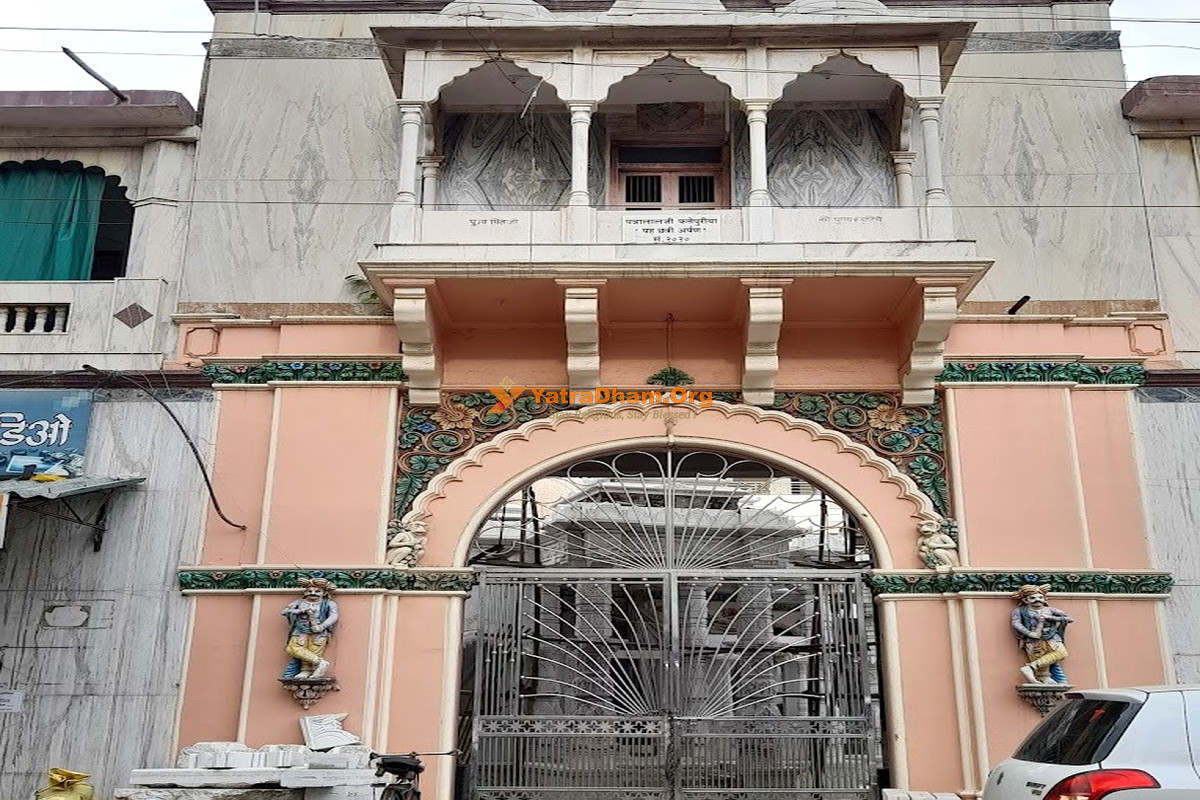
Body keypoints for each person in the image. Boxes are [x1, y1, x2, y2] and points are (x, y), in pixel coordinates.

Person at [1010, 584, 1072, 685]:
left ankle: (1030, 667)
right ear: (1026, 600)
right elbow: (1016, 623)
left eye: (1040, 597)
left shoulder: (1051, 610)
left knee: (1061, 653)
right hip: (1033, 639)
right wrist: (1029, 633)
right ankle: (1045, 679)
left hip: (1051, 636)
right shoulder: (1020, 611)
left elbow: (1069, 618)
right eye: (1032, 598)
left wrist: (1051, 618)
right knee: (1042, 668)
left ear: (1045, 599)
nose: (1037, 600)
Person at [282, 577, 339, 679]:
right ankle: (320, 663)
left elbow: (333, 616)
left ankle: (307, 671)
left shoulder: (329, 604)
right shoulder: (299, 602)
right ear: (305, 592)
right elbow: (285, 612)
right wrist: (300, 611)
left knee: (313, 649)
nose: (313, 593)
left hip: (318, 631)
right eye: (310, 591)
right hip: (300, 629)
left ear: (324, 593)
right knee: (292, 648)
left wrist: (322, 626)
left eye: (317, 591)